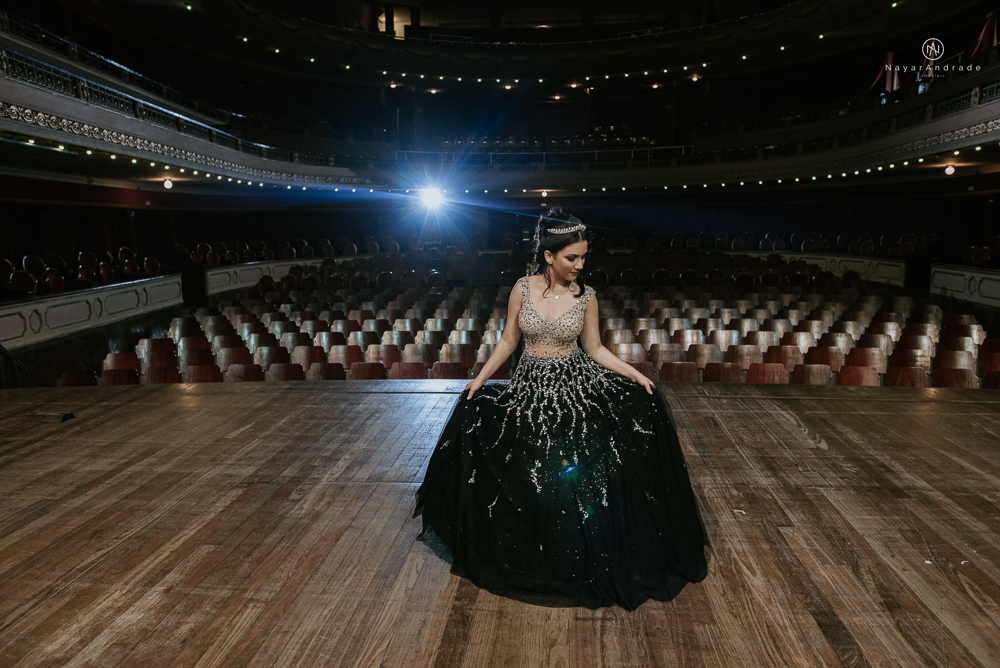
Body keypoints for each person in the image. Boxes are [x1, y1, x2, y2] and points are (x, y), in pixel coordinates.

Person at [414, 208, 709, 610]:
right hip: (528, 388)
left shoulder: (586, 297)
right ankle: (528, 556)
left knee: (572, 477)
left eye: (584, 257)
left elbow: (596, 349)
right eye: (573, 258)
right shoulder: (522, 288)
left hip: (574, 388)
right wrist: (480, 378)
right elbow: (507, 341)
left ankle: (571, 559)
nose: (580, 265)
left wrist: (635, 374)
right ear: (549, 256)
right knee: (524, 469)